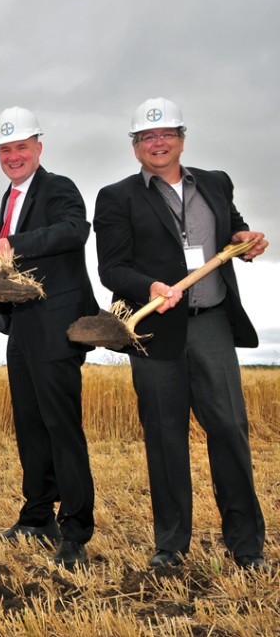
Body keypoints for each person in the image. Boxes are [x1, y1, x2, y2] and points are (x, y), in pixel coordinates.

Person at [93, 97, 270, 572]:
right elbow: (111, 267)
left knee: (230, 431)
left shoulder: (215, 182)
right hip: (155, 332)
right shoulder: (117, 197)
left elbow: (231, 230)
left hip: (211, 322)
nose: (157, 142)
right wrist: (148, 286)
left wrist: (246, 239)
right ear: (135, 147)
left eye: (166, 134)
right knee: (166, 438)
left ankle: (247, 547)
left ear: (182, 139)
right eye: (146, 137)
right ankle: (170, 546)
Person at [0, 107, 98, 571]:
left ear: (38, 148)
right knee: (30, 425)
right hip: (22, 326)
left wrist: (13, 241)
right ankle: (37, 516)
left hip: (56, 325)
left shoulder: (59, 187)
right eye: (5, 149)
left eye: (21, 147)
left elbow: (73, 231)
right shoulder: (9, 198)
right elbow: (10, 259)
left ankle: (77, 529)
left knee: (62, 427)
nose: (13, 156)